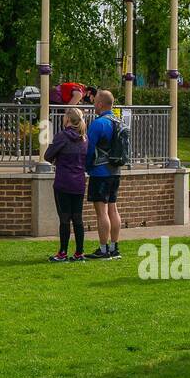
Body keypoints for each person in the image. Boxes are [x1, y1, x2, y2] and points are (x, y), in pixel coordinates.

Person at [85, 89, 126, 259]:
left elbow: (88, 148)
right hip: (116, 171)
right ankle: (115, 247)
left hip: (100, 172)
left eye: (95, 102)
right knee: (113, 208)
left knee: (101, 212)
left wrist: (87, 167)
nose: (94, 104)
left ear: (101, 104)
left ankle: (103, 249)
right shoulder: (119, 122)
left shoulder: (98, 123)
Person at [44, 107, 88, 261]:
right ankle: (79, 252)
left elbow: (47, 155)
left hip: (63, 182)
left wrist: (58, 159)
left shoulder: (62, 136)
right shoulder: (84, 138)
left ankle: (62, 253)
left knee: (64, 218)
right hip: (79, 183)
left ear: (68, 119)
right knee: (77, 218)